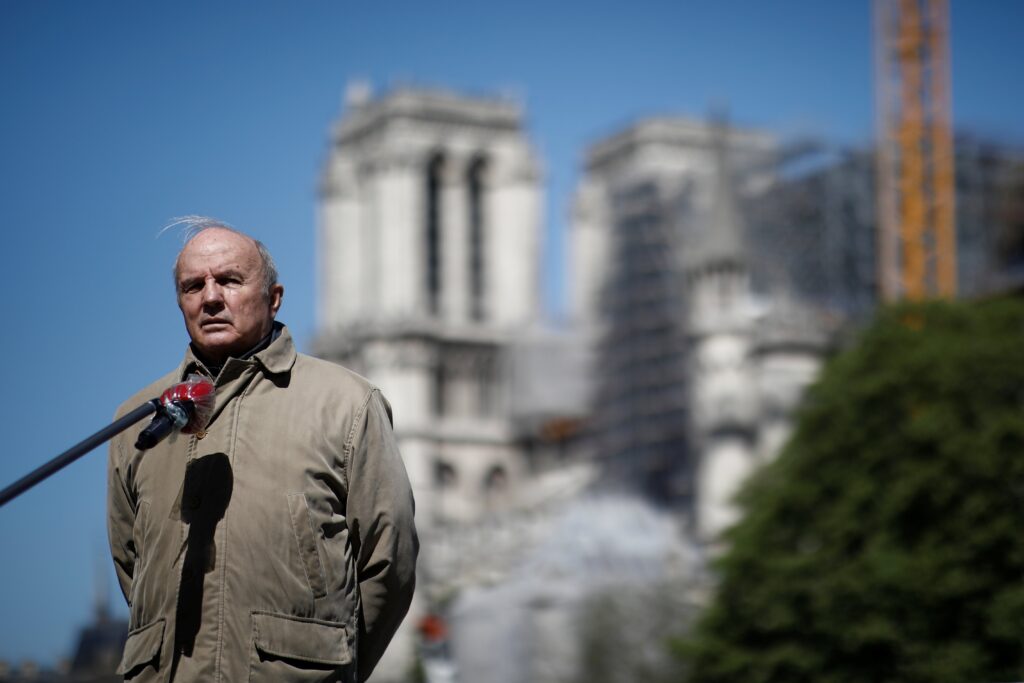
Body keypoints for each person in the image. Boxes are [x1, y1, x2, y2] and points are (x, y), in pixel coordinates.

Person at [107, 220, 417, 682]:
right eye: (194, 286)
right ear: (180, 303)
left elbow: (389, 562)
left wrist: (330, 666)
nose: (211, 297)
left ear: (274, 298)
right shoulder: (139, 418)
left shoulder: (346, 403)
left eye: (230, 280)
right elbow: (132, 563)